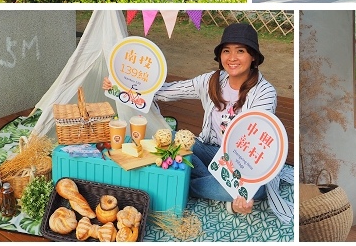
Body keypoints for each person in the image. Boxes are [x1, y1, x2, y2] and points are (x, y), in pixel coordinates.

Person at [102, 23, 278, 215]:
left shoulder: (265, 93)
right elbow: (167, 92)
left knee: (258, 189)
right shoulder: (212, 80)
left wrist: (242, 183)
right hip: (209, 149)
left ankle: (193, 184)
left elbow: (253, 146)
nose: (232, 58)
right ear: (220, 56)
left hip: (241, 162)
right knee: (173, 140)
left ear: (253, 56)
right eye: (226, 51)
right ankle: (218, 189)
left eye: (241, 51)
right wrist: (120, 85)